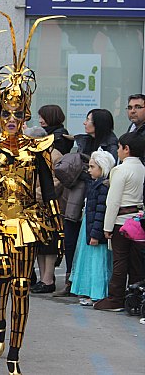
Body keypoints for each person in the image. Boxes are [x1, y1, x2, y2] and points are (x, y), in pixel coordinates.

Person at [55, 108, 118, 297]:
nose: (85, 123)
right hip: (77, 197)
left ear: (98, 123)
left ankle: (90, 286)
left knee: (92, 242)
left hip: (94, 198)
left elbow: (106, 173)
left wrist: (81, 171)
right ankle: (72, 281)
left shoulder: (111, 146)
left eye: (88, 120)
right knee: (71, 238)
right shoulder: (85, 141)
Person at [94, 132, 145, 311]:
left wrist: (107, 227)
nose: (117, 151)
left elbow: (113, 201)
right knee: (136, 262)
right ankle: (135, 297)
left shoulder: (120, 169)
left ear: (126, 149)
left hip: (121, 222)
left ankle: (115, 298)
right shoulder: (142, 168)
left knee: (120, 260)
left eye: (119, 147)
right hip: (139, 220)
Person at [70, 149, 115, 305]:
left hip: (93, 228)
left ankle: (97, 293)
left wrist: (95, 234)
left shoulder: (102, 187)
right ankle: (91, 291)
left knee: (97, 262)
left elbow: (100, 213)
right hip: (89, 227)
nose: (89, 170)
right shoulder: (97, 185)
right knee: (91, 261)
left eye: (92, 167)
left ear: (102, 168)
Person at [25, 126, 64, 294]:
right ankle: (42, 279)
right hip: (35, 208)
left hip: (50, 207)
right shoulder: (33, 154)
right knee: (40, 245)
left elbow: (56, 182)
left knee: (49, 245)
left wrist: (35, 194)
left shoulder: (53, 156)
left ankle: (48, 279)